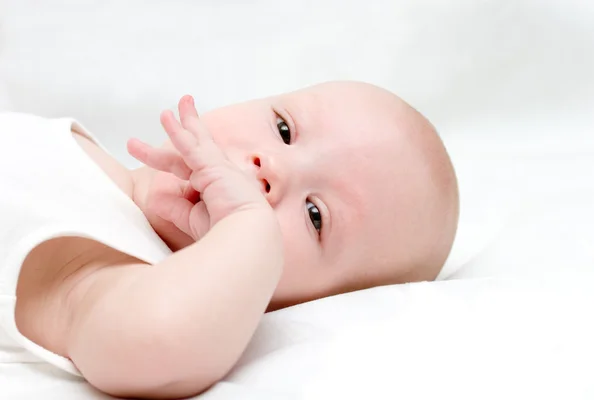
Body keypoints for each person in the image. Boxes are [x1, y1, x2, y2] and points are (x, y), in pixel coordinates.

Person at [0, 81, 459, 398]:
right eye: (284, 130)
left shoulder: (104, 270)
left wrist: (246, 223)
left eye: (315, 216)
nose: (270, 169)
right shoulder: (80, 149)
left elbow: (156, 341)